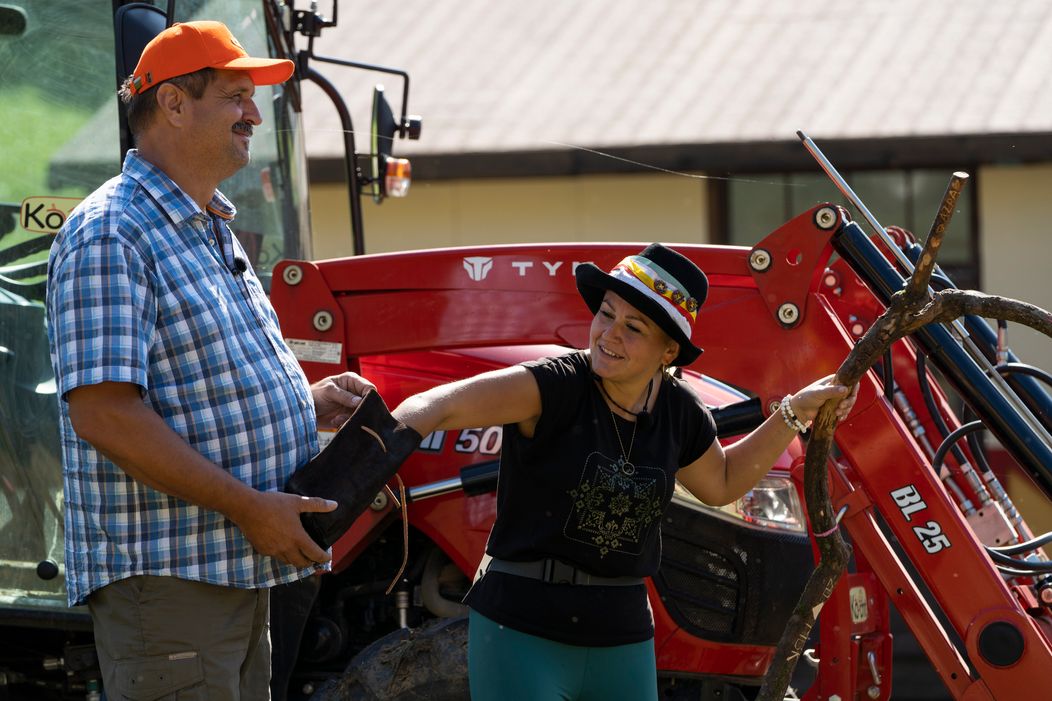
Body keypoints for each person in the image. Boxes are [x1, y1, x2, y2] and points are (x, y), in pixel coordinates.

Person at [46, 21, 372, 700]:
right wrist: (249, 506)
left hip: (231, 570)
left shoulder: (204, 225)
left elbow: (191, 384)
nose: (254, 114)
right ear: (172, 103)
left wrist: (304, 405)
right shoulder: (113, 233)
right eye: (235, 96)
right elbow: (105, 414)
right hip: (174, 584)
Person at [392, 243, 858, 701]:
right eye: (606, 314)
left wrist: (794, 412)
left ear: (668, 351)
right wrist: (379, 441)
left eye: (633, 327)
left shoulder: (681, 412)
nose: (609, 334)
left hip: (623, 638)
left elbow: (721, 483)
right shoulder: (552, 386)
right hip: (520, 629)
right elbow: (437, 406)